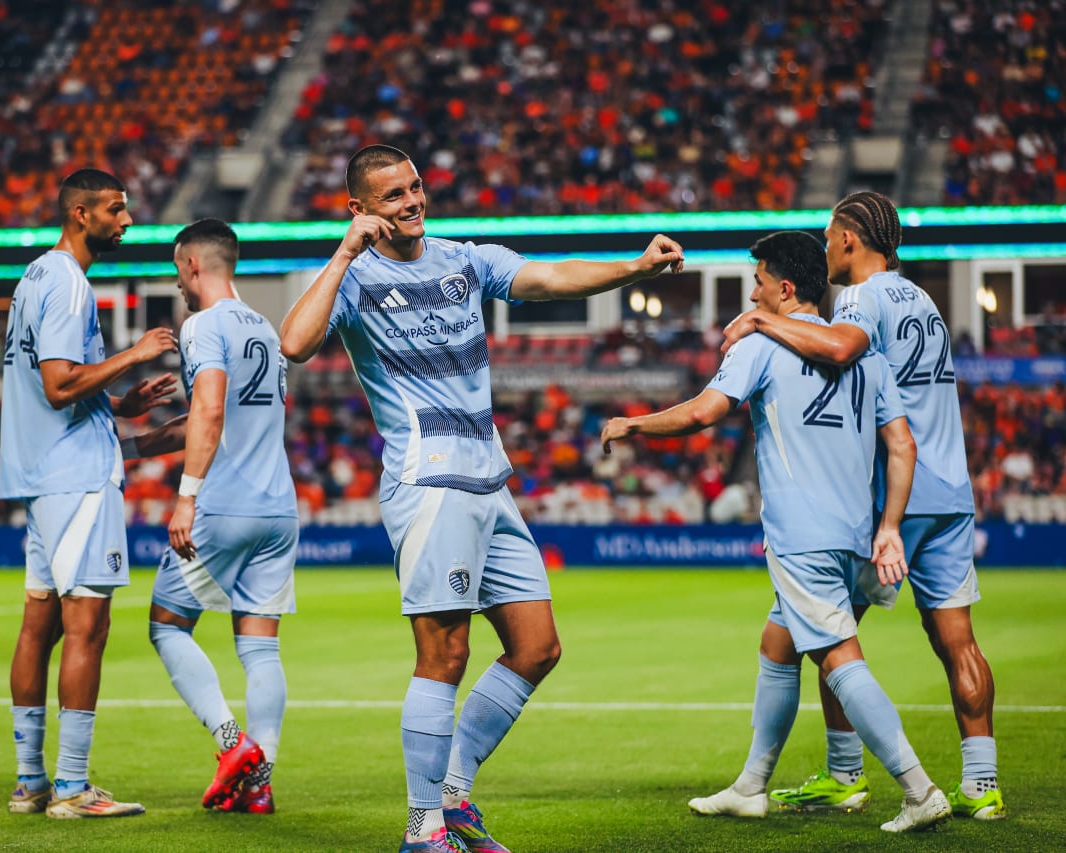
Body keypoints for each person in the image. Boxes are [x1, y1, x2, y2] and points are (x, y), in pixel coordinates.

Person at [278, 143, 684, 853]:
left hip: (489, 479)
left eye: (414, 187)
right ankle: (421, 828)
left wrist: (634, 267)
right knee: (446, 654)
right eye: (392, 196)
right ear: (361, 211)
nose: (410, 202)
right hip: (429, 481)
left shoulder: (466, 259)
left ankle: (454, 793)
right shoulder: (357, 277)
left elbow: (553, 276)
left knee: (537, 646)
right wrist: (342, 255)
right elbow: (294, 341)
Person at [602, 230, 952, 833]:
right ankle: (751, 786)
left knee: (840, 658)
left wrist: (633, 424)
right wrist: (889, 526)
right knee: (778, 645)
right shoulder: (866, 354)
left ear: (784, 288)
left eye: (759, 281)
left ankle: (919, 789)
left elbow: (704, 412)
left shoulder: (761, 342)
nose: (752, 293)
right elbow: (902, 444)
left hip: (802, 534)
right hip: (854, 534)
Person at [721, 192, 1003, 821]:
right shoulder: (924, 300)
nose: (824, 250)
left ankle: (851, 775)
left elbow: (840, 349)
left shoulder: (861, 298)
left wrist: (762, 321)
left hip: (892, 499)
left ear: (850, 239)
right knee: (958, 641)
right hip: (952, 490)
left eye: (828, 237)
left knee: (824, 636)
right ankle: (982, 787)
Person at [0, 168, 178, 819]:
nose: (126, 220)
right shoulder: (72, 284)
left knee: (38, 624)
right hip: (76, 479)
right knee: (87, 627)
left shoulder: (35, 277)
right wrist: (133, 355)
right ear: (80, 213)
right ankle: (71, 787)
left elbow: (60, 386)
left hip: (42, 474)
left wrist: (118, 405)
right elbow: (57, 383)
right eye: (115, 209)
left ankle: (30, 781)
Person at [124, 218, 296, 814]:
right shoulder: (266, 330)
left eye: (177, 267)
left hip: (223, 502)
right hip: (278, 508)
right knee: (261, 648)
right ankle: (260, 784)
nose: (176, 278)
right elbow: (210, 417)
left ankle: (232, 745)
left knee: (168, 626)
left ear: (193, 264)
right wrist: (130, 448)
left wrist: (186, 495)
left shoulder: (201, 325)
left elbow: (211, 408)